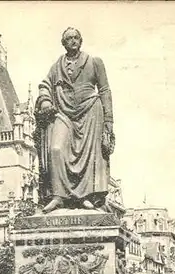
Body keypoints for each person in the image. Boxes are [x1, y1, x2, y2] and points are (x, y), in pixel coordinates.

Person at [35, 27, 115, 213]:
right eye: (68, 38)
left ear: (81, 40)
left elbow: (104, 90)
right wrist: (46, 100)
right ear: (63, 43)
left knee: (90, 156)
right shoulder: (57, 66)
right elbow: (44, 84)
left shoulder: (94, 62)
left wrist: (109, 120)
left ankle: (86, 197)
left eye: (75, 37)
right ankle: (58, 196)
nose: (73, 40)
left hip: (90, 111)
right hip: (64, 112)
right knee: (56, 149)